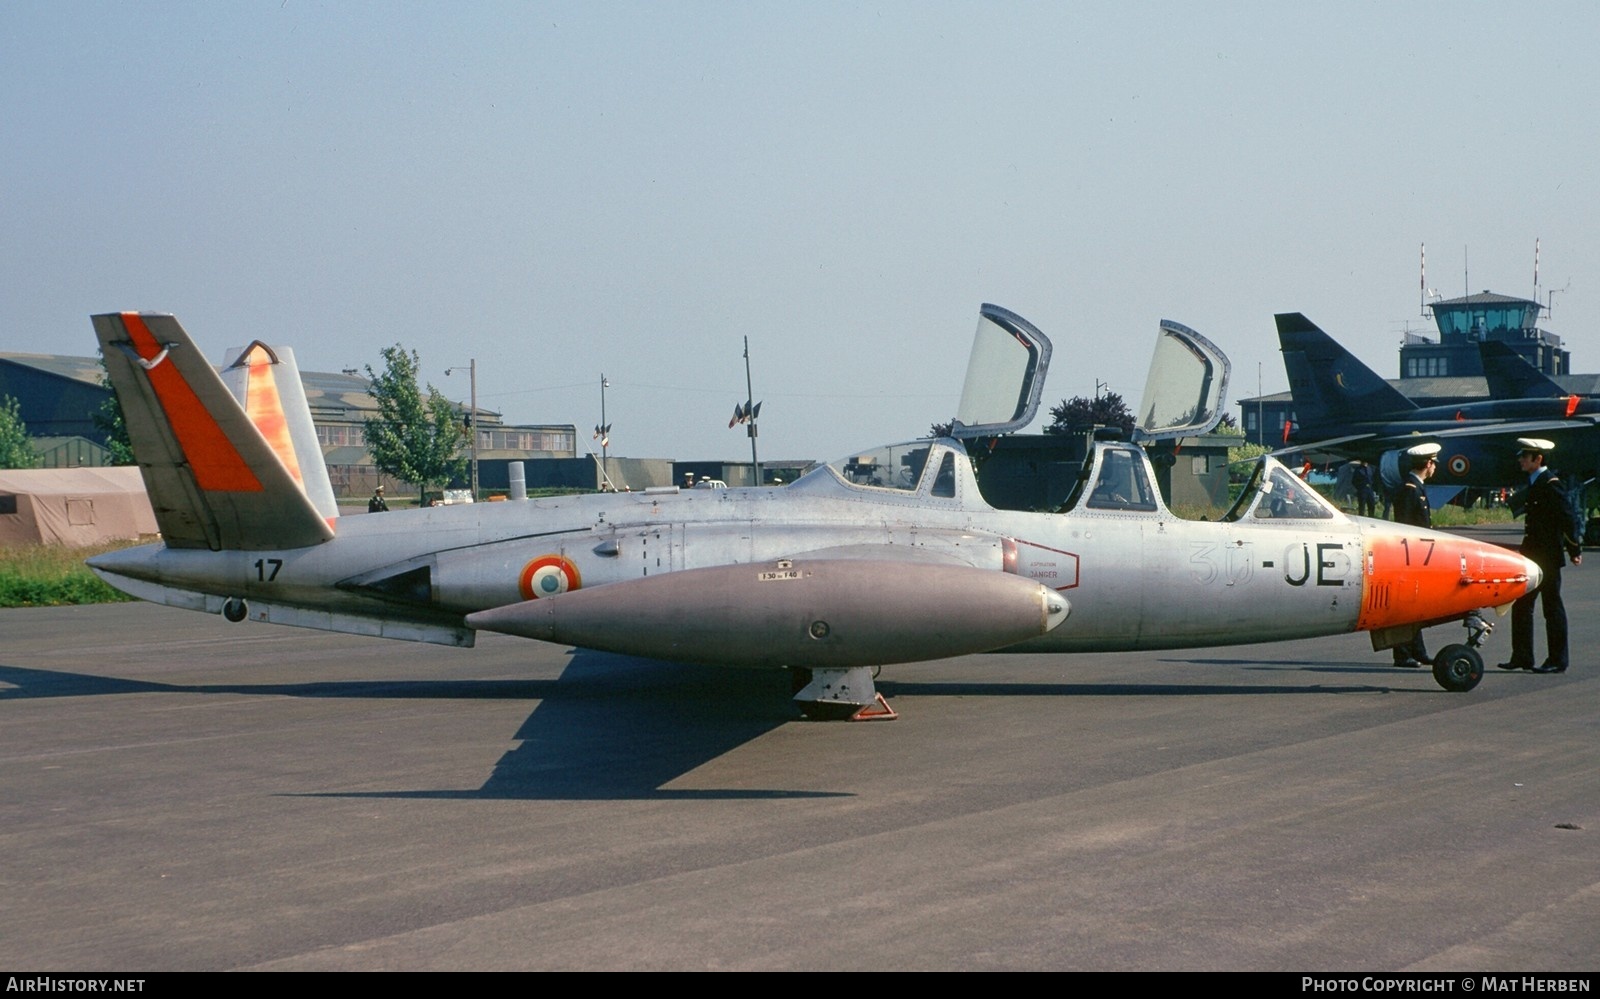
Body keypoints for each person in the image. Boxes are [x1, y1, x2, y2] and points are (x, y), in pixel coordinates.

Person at [1498, 438, 1582, 674]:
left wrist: (1574, 548)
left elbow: (1568, 518)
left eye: (1525, 456)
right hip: (1532, 555)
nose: (1521, 460)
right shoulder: (1536, 482)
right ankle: (1522, 656)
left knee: (1552, 607)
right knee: (1522, 605)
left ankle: (1557, 659)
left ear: (1539, 459)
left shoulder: (1551, 484)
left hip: (1548, 556)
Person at [1390, 442, 1439, 667]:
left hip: (1419, 557)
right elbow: (1405, 527)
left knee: (1416, 606)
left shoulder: (1415, 487)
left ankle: (1417, 650)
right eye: (1433, 464)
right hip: (1410, 557)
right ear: (1428, 464)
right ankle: (1402, 654)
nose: (1434, 468)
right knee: (1406, 607)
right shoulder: (1410, 489)